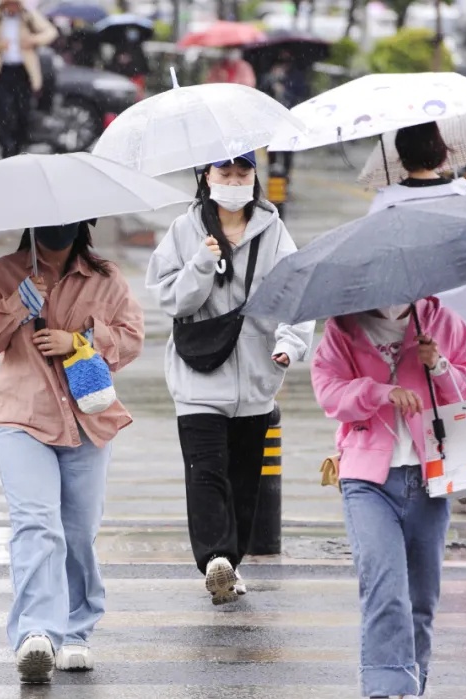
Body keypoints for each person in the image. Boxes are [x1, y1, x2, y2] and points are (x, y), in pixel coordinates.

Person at [0, 221, 144, 683]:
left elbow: (131, 338)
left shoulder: (105, 277)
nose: (57, 230)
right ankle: (36, 633)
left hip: (87, 421)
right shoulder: (6, 272)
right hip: (23, 418)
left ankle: (76, 631)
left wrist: (81, 340)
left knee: (78, 532)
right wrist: (16, 303)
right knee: (37, 524)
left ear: (84, 223)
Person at [145, 152, 314, 605]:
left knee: (243, 479)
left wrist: (291, 344)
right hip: (198, 372)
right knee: (206, 471)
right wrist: (201, 262)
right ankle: (215, 557)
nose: (235, 181)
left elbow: (296, 294)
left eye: (243, 173)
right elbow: (171, 301)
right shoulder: (185, 230)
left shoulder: (274, 231)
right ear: (206, 175)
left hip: (257, 376)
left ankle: (230, 565)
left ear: (255, 177)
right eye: (225, 173)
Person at [311, 299, 466, 699]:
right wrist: (379, 392)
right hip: (367, 480)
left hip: (431, 477)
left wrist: (440, 367)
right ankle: (384, 688)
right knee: (385, 589)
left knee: (421, 600)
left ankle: (412, 686)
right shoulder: (344, 329)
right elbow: (328, 392)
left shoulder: (441, 321)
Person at [368, 122, 466, 349]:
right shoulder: (463, 198)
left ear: (401, 155)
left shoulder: (385, 204)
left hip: (409, 311)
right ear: (441, 152)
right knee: (461, 376)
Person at [0, 0, 59, 159]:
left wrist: (33, 40)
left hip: (23, 71)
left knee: (23, 112)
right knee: (4, 112)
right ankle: (7, 147)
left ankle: (19, 146)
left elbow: (50, 32)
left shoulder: (28, 17)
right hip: (2, 71)